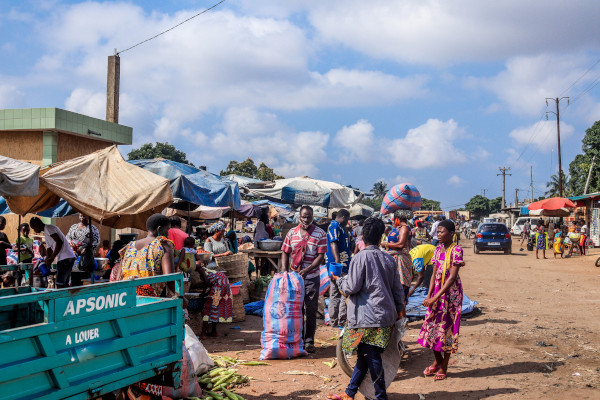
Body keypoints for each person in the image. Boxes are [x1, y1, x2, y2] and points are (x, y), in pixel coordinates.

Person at [327, 217, 405, 400]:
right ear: (380, 238)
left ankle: (380, 396)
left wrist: (338, 280)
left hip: (366, 318)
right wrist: (401, 313)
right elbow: (398, 291)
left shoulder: (359, 258)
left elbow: (351, 287)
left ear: (362, 238)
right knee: (365, 356)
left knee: (372, 357)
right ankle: (350, 392)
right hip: (385, 317)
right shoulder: (389, 259)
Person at [417, 219, 465, 381]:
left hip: (450, 295)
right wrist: (429, 295)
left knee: (448, 329)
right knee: (431, 327)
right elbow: (433, 275)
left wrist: (436, 297)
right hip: (437, 292)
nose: (438, 234)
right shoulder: (437, 250)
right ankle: (437, 360)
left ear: (451, 234)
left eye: (442, 231)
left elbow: (451, 278)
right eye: (437, 231)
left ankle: (444, 365)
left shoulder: (456, 250)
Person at [281, 205, 327, 354]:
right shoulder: (291, 233)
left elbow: (321, 256)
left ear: (313, 217)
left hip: (311, 277)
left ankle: (309, 341)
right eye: (304, 217)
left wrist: (307, 270)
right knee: (296, 310)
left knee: (311, 310)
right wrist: (284, 271)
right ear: (299, 217)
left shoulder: (320, 234)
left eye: (309, 217)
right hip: (294, 278)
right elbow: (285, 252)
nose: (306, 220)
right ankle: (298, 339)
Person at [119, 213, 175, 296]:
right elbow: (169, 278)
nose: (168, 234)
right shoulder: (163, 246)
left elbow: (119, 277)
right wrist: (177, 295)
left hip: (125, 294)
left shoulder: (129, 246)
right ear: (160, 229)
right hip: (150, 297)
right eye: (167, 229)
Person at [30, 217, 76, 288]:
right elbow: (49, 249)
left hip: (65, 258)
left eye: (33, 228)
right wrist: (47, 259)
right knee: (64, 283)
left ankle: (62, 299)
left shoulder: (49, 228)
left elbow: (59, 242)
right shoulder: (46, 232)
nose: (34, 230)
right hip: (66, 257)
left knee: (59, 284)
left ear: (37, 225)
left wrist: (52, 257)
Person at [326, 208, 351, 328]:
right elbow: (333, 243)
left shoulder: (340, 227)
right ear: (344, 217)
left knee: (337, 293)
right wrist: (337, 263)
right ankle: (338, 321)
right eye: (348, 219)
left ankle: (336, 321)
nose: (348, 222)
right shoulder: (334, 226)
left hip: (343, 265)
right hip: (339, 266)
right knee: (341, 293)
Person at [382, 209, 413, 300]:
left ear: (397, 218)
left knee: (400, 287)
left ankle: (401, 312)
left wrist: (386, 244)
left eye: (394, 218)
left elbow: (401, 244)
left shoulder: (404, 228)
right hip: (393, 257)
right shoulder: (398, 228)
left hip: (400, 259)